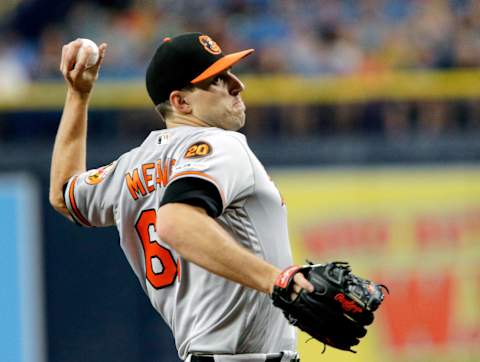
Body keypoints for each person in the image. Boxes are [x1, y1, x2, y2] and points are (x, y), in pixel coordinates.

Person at [49, 32, 313, 362]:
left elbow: (64, 194)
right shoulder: (222, 145)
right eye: (217, 79)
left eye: (230, 72)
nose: (237, 85)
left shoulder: (130, 166)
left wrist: (78, 95)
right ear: (181, 102)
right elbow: (175, 222)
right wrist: (278, 281)